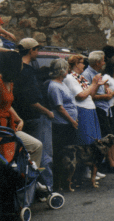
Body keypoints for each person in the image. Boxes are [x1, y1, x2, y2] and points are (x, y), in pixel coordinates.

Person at [14, 38, 55, 188]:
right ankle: (47, 187)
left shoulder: (15, 69)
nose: (38, 52)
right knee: (44, 154)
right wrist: (47, 112)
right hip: (35, 116)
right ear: (31, 50)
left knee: (29, 154)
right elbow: (31, 99)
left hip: (21, 117)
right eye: (37, 49)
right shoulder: (28, 71)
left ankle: (33, 186)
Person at [64, 54, 106, 181]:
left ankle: (93, 169)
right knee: (86, 140)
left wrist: (97, 85)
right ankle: (85, 171)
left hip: (90, 107)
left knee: (94, 139)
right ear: (76, 64)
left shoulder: (80, 77)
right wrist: (93, 83)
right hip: (82, 109)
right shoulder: (70, 78)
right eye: (82, 62)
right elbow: (80, 95)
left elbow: (90, 94)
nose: (84, 65)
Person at [83, 51, 114, 173]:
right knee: (107, 136)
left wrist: (107, 91)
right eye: (102, 61)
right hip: (99, 108)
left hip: (106, 108)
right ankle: (111, 163)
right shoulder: (88, 74)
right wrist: (105, 97)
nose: (104, 63)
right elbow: (89, 95)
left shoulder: (98, 73)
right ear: (97, 62)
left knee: (112, 135)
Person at [0, 51, 43, 167]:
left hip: (9, 126)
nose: (22, 66)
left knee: (37, 145)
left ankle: (28, 178)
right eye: (20, 63)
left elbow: (7, 105)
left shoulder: (10, 82)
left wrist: (19, 119)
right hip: (2, 128)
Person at [47, 59, 79, 166]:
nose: (68, 70)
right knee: (63, 151)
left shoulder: (62, 83)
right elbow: (59, 107)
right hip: (62, 124)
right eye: (66, 69)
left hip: (69, 123)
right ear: (61, 71)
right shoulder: (54, 86)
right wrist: (72, 121)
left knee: (70, 150)